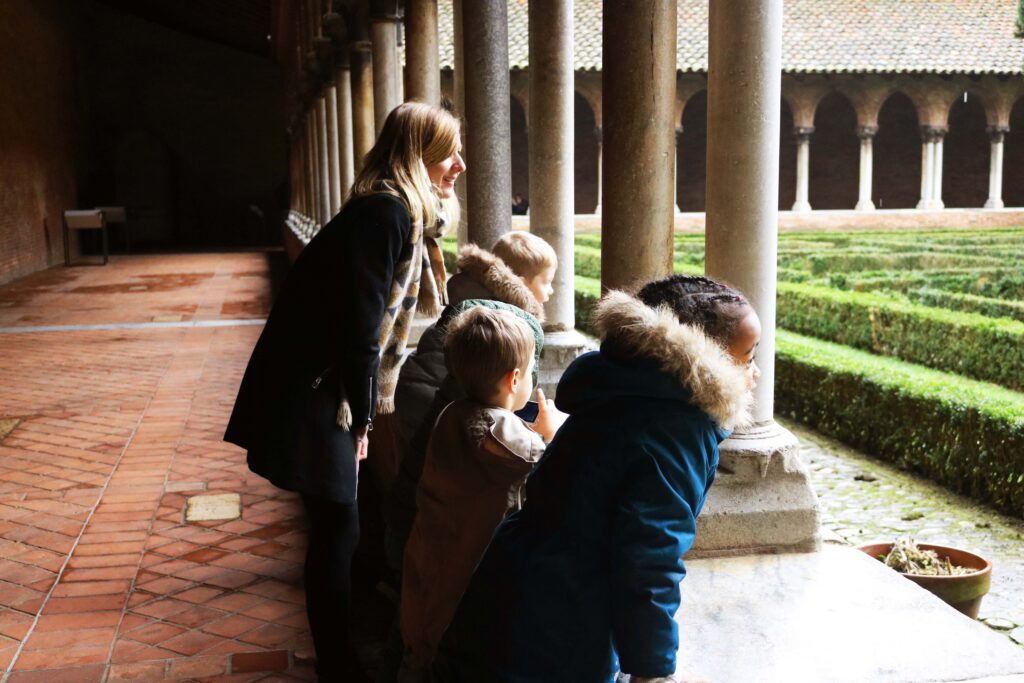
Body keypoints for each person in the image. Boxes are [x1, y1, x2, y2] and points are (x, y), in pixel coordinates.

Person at [223, 101, 465, 682]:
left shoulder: (395, 211)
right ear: (420, 154)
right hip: (318, 389)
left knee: (341, 524)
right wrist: (360, 421)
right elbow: (361, 331)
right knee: (339, 525)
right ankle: (337, 664)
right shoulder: (386, 214)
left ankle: (338, 654)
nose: (459, 163)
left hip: (321, 382)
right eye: (449, 151)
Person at [432, 274, 762, 683]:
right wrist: (653, 671)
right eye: (746, 358)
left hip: (516, 582)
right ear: (708, 359)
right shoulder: (678, 428)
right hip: (561, 618)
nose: (756, 371)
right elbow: (650, 562)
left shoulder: (622, 387)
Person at [398, 307, 566, 681]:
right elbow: (551, 470)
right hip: (467, 599)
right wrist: (550, 435)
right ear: (515, 379)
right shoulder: (505, 437)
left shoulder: (451, 414)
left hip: (426, 579)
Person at [388, 231, 557, 552]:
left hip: (423, 430)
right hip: (427, 431)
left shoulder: (476, 305)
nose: (549, 294)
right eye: (546, 282)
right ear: (521, 282)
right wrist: (543, 437)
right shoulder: (500, 326)